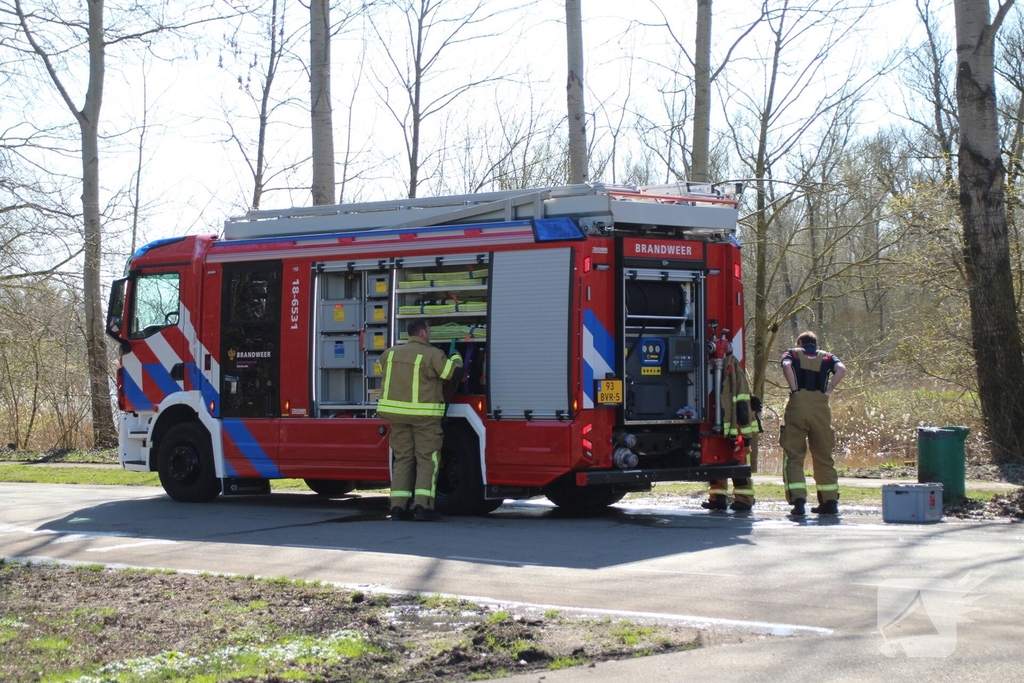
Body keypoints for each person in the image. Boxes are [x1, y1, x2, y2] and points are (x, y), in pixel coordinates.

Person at [378, 319, 463, 522]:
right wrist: (456, 356)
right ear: (423, 332)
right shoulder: (432, 355)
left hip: (396, 417)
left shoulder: (388, 355)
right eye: (429, 330)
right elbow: (455, 374)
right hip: (424, 418)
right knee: (427, 460)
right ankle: (422, 507)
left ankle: (398, 508)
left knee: (403, 459)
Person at [780, 331, 846, 516]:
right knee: (824, 455)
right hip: (821, 406)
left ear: (800, 342)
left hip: (798, 404)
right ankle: (829, 501)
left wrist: (794, 390)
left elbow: (786, 366)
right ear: (815, 343)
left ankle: (798, 502)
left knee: (794, 455)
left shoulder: (792, 353)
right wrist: (829, 390)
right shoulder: (827, 356)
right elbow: (842, 369)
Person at [703, 353, 759, 512]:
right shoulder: (720, 368)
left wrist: (746, 437)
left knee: (737, 462)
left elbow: (741, 403)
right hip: (721, 424)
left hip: (736, 427)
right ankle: (718, 498)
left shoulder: (732, 368)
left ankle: (745, 500)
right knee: (716, 460)